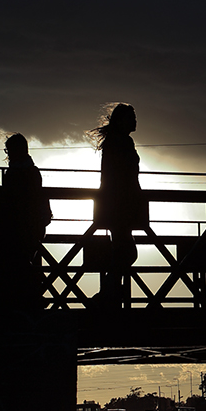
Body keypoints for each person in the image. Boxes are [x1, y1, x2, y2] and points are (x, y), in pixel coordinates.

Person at [88, 103, 144, 306]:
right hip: (121, 205)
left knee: (122, 250)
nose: (135, 121)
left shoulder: (115, 142)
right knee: (126, 251)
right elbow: (124, 177)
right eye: (132, 117)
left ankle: (109, 293)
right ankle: (108, 294)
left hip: (116, 205)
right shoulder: (123, 142)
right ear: (122, 120)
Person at [1, 133, 51, 310]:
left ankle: (29, 298)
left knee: (22, 262)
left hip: (20, 225)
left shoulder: (15, 173)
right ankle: (35, 295)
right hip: (34, 223)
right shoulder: (32, 171)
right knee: (31, 260)